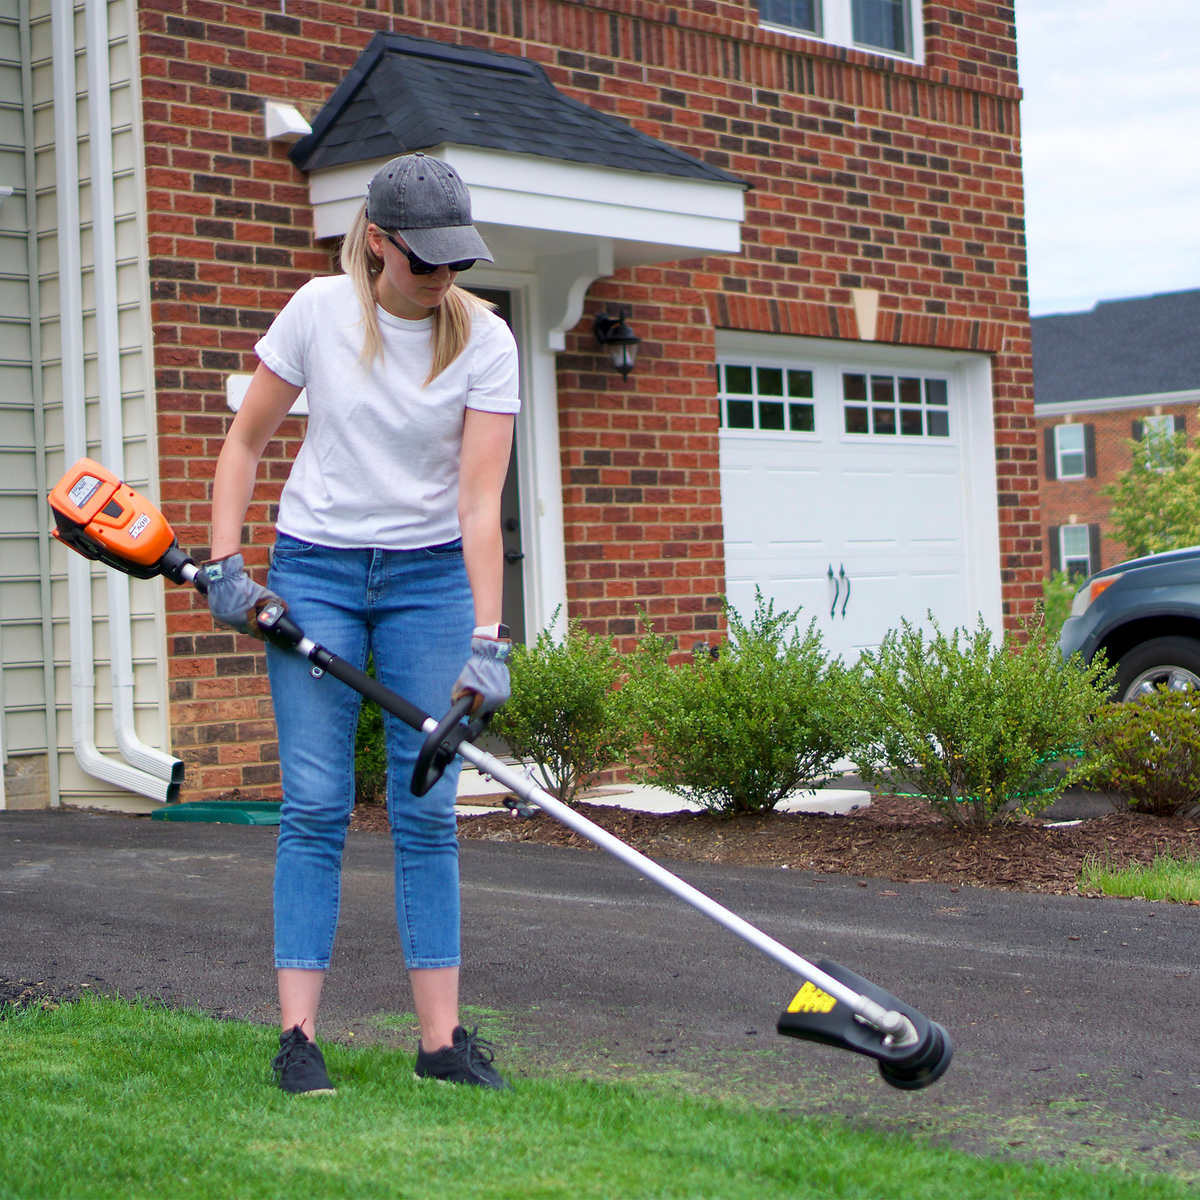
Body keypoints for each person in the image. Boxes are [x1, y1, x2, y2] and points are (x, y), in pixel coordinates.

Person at [203, 152, 520, 1093]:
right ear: (377, 243)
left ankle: (440, 1045)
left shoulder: (487, 341)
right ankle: (299, 1040)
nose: (442, 278)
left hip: (429, 582)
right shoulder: (318, 312)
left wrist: (488, 640)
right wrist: (228, 565)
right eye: (424, 261)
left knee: (427, 810)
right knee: (313, 806)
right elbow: (246, 439)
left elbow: (477, 504)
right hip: (317, 570)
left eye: (454, 261)